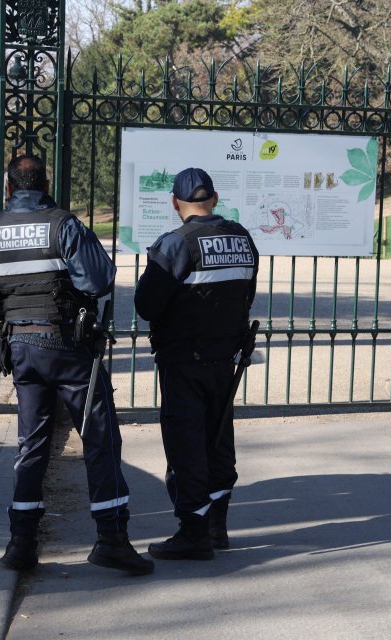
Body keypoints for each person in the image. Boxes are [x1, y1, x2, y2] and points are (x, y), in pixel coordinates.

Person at [0, 154, 153, 575]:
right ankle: (112, 540)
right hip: (65, 345)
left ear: (8, 187)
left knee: (32, 444)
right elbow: (98, 280)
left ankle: (21, 542)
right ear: (46, 183)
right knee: (99, 438)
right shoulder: (62, 224)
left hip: (20, 349)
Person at [135, 167, 259, 560]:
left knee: (186, 444)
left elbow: (146, 305)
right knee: (219, 439)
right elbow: (246, 292)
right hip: (226, 359)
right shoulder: (241, 237)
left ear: (175, 203)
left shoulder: (176, 243)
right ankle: (216, 524)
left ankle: (193, 532)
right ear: (215, 200)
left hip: (184, 359)